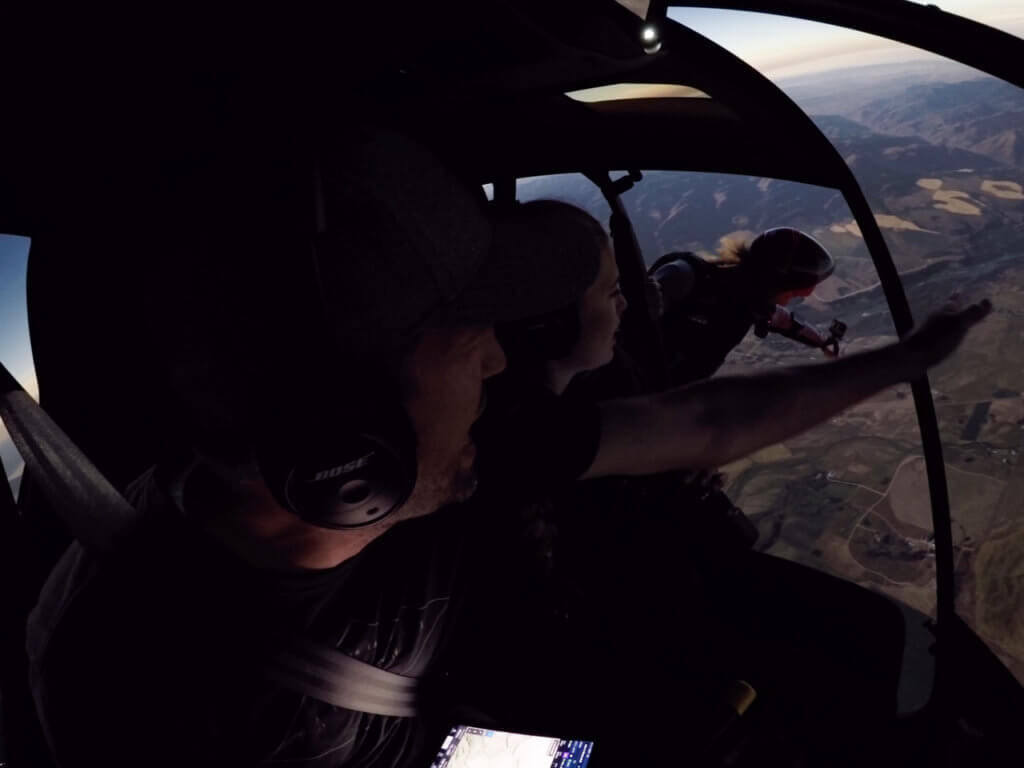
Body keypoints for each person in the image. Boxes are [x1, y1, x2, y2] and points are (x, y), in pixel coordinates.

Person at [25, 125, 989, 768]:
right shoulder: (131, 680)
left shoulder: (446, 464)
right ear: (346, 422)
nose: (499, 358)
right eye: (466, 335)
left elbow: (702, 423)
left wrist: (906, 357)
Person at [650, 227, 842, 386]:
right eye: (792, 292)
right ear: (773, 284)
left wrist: (821, 342)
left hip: (665, 403)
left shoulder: (749, 303)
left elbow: (785, 322)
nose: (793, 298)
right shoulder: (684, 277)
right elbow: (624, 321)